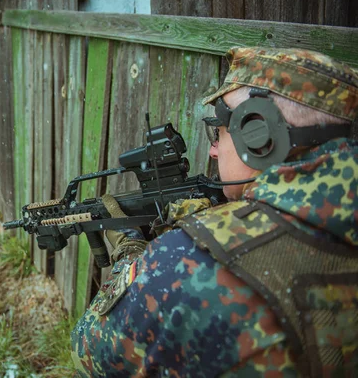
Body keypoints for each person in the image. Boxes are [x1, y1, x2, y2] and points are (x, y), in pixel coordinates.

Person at [70, 47, 358, 377]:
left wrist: (132, 254)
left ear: (260, 136)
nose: (212, 149)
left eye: (218, 130)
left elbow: (88, 352)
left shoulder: (185, 265)